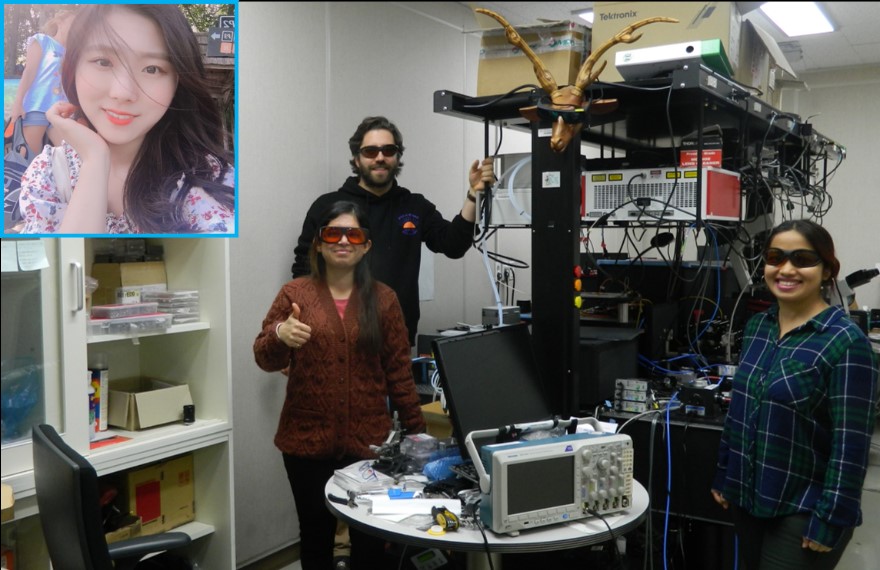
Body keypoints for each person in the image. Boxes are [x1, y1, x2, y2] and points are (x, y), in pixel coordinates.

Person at [254, 200, 426, 570]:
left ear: (366, 245)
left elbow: (398, 372)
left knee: (370, 540)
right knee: (314, 538)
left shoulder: (384, 300)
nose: (343, 241)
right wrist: (280, 335)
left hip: (368, 445)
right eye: (333, 232)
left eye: (354, 234)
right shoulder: (294, 294)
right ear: (318, 243)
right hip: (305, 442)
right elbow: (266, 359)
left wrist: (417, 436)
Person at [711, 219, 879, 570]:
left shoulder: (846, 343)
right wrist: (725, 472)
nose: (786, 269)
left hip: (804, 507)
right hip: (749, 496)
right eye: (776, 257)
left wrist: (831, 518)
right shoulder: (759, 326)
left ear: (827, 270)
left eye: (802, 259)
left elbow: (851, 447)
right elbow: (740, 409)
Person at [18, 4, 235, 235]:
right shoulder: (49, 173)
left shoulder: (208, 177)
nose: (122, 92)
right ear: (73, 67)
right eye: (103, 62)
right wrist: (94, 160)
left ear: (177, 82)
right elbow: (63, 268)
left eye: (152, 69)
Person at [291, 115, 495, 345]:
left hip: (396, 337)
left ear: (397, 157)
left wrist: (473, 195)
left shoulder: (414, 205)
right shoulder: (328, 206)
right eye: (370, 151)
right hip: (335, 337)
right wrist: (301, 329)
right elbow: (304, 268)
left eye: (388, 150)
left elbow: (453, 245)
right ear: (357, 159)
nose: (380, 157)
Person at [7, 9, 76, 159]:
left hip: (60, 111)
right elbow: (29, 72)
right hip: (37, 106)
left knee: (67, 156)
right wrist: (18, 103)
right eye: (73, 22)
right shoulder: (42, 40)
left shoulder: (71, 53)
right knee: (29, 157)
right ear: (60, 21)